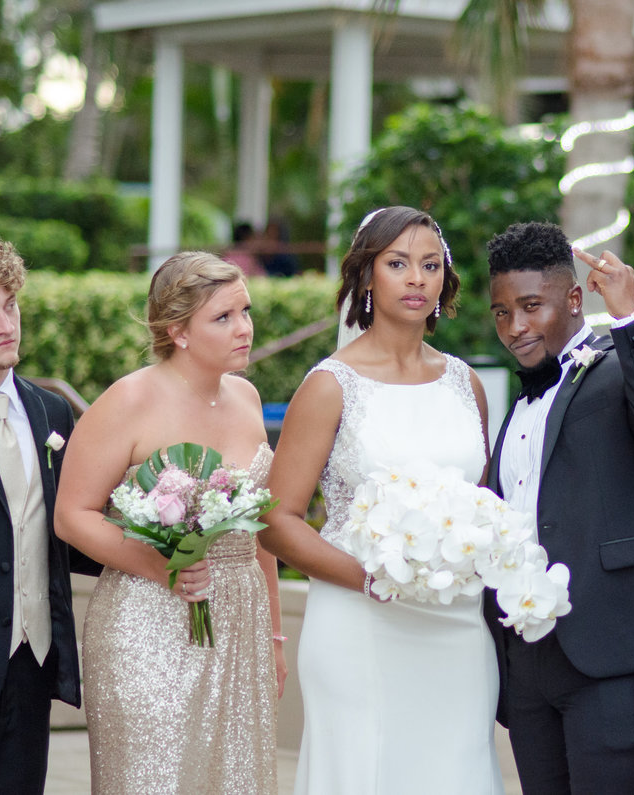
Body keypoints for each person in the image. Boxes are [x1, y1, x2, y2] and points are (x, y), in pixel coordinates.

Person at [259, 206, 501, 794]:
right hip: (360, 621)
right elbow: (275, 520)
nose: (417, 278)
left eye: (430, 264)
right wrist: (370, 578)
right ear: (367, 277)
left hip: (457, 628)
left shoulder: (466, 384)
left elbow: (486, 503)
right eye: (398, 264)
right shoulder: (329, 385)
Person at [486, 221, 634, 793]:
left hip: (615, 647)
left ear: (574, 299)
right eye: (501, 313)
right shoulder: (517, 404)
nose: (516, 327)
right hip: (529, 660)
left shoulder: (622, 365)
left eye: (531, 306)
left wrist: (632, 318)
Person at [54, 251, 285, 794]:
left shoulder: (248, 398)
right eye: (223, 318)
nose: (244, 329)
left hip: (240, 623)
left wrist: (274, 634)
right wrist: (161, 567)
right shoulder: (127, 400)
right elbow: (71, 515)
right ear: (177, 331)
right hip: (146, 625)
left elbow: (262, 528)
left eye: (246, 312)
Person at [0, 236, 100, 794]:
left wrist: (164, 540)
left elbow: (69, 529)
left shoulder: (50, 409)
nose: (4, 323)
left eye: (9, 304)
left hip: (29, 659)